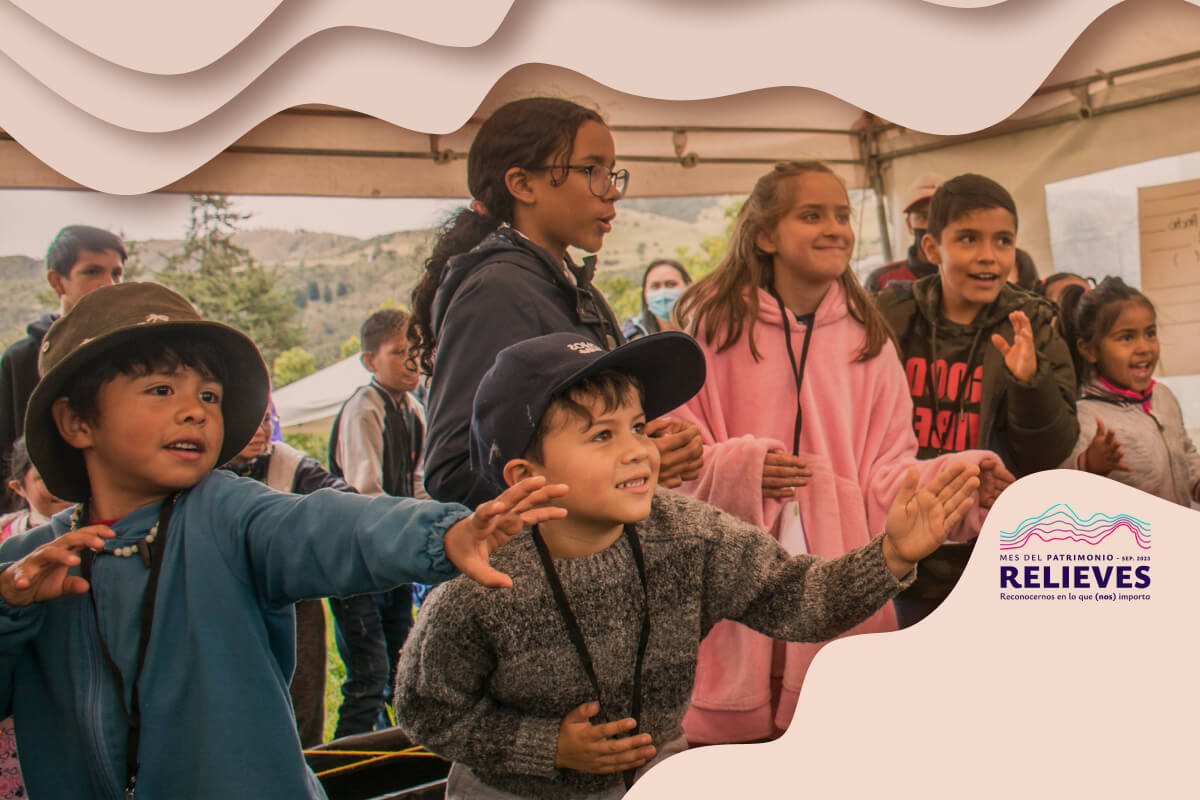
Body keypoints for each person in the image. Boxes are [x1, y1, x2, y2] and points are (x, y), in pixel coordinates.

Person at [0, 281, 569, 800]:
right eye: (161, 388)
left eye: (210, 396)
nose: (194, 412)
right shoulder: (25, 568)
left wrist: (444, 532)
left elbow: (328, 527)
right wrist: (8, 609)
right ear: (77, 422)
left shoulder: (228, 514)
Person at [394, 331, 981, 800]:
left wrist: (892, 554)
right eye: (601, 435)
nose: (638, 451)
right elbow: (426, 708)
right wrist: (545, 746)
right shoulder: (480, 582)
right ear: (526, 478)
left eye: (638, 427)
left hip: (660, 779)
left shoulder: (686, 535)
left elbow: (796, 598)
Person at [667, 160, 1010, 744]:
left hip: (843, 588)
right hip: (735, 593)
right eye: (812, 215)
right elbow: (666, 466)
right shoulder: (708, 326)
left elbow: (886, 472)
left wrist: (954, 479)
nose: (835, 228)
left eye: (842, 215)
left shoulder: (866, 338)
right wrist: (740, 469)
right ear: (766, 234)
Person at [408, 96, 703, 510]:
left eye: (613, 172)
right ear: (523, 184)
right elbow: (454, 470)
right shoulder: (498, 290)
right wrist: (616, 468)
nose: (612, 191)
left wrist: (648, 444)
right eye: (592, 170)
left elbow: (567, 432)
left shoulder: (574, 288)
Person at [875, 173, 1079, 627]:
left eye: (1003, 241)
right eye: (968, 239)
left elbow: (1051, 449)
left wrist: (1031, 382)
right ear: (932, 249)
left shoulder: (1033, 324)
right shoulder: (889, 319)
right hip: (905, 562)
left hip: (995, 557)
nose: (988, 255)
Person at [221, 402, 352, 748]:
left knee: (301, 696)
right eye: (249, 420)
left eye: (266, 420)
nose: (260, 430)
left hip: (294, 603)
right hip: (230, 606)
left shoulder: (290, 464)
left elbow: (344, 504)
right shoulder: (203, 475)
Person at [327, 308, 426, 738]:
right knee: (367, 676)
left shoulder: (414, 410)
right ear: (370, 360)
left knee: (402, 671)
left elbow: (419, 481)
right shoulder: (363, 410)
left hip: (394, 559)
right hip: (358, 561)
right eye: (399, 352)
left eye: (417, 352)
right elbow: (364, 490)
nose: (412, 363)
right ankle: (347, 774)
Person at [0, 225, 125, 510]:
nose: (109, 283)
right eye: (93, 271)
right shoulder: (20, 360)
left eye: (116, 273)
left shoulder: (131, 355)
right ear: (58, 282)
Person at [1057, 277, 1200, 505]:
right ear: (1090, 350)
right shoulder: (1083, 418)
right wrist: (1089, 464)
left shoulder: (1163, 396)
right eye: (1127, 337)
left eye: (1150, 333)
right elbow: (1065, 491)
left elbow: (1185, 451)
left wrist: (1197, 482)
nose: (1144, 348)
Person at [864, 173, 943, 293]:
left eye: (940, 216)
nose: (931, 225)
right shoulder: (880, 280)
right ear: (909, 225)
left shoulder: (968, 277)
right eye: (923, 217)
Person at [1, 437, 72, 539]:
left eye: (76, 474)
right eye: (48, 477)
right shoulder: (5, 541)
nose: (66, 486)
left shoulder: (101, 535)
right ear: (19, 488)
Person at [621, 259, 692, 340]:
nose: (663, 292)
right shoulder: (631, 335)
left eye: (671, 284)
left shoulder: (703, 328)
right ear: (645, 294)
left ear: (689, 288)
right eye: (655, 286)